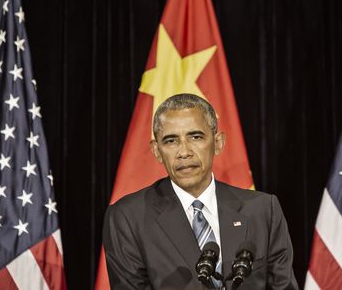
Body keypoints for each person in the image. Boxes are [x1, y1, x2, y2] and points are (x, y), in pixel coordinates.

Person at [103, 93, 298, 290]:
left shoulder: (263, 210)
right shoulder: (128, 218)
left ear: (218, 142)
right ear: (156, 151)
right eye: (171, 141)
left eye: (195, 137)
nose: (184, 152)